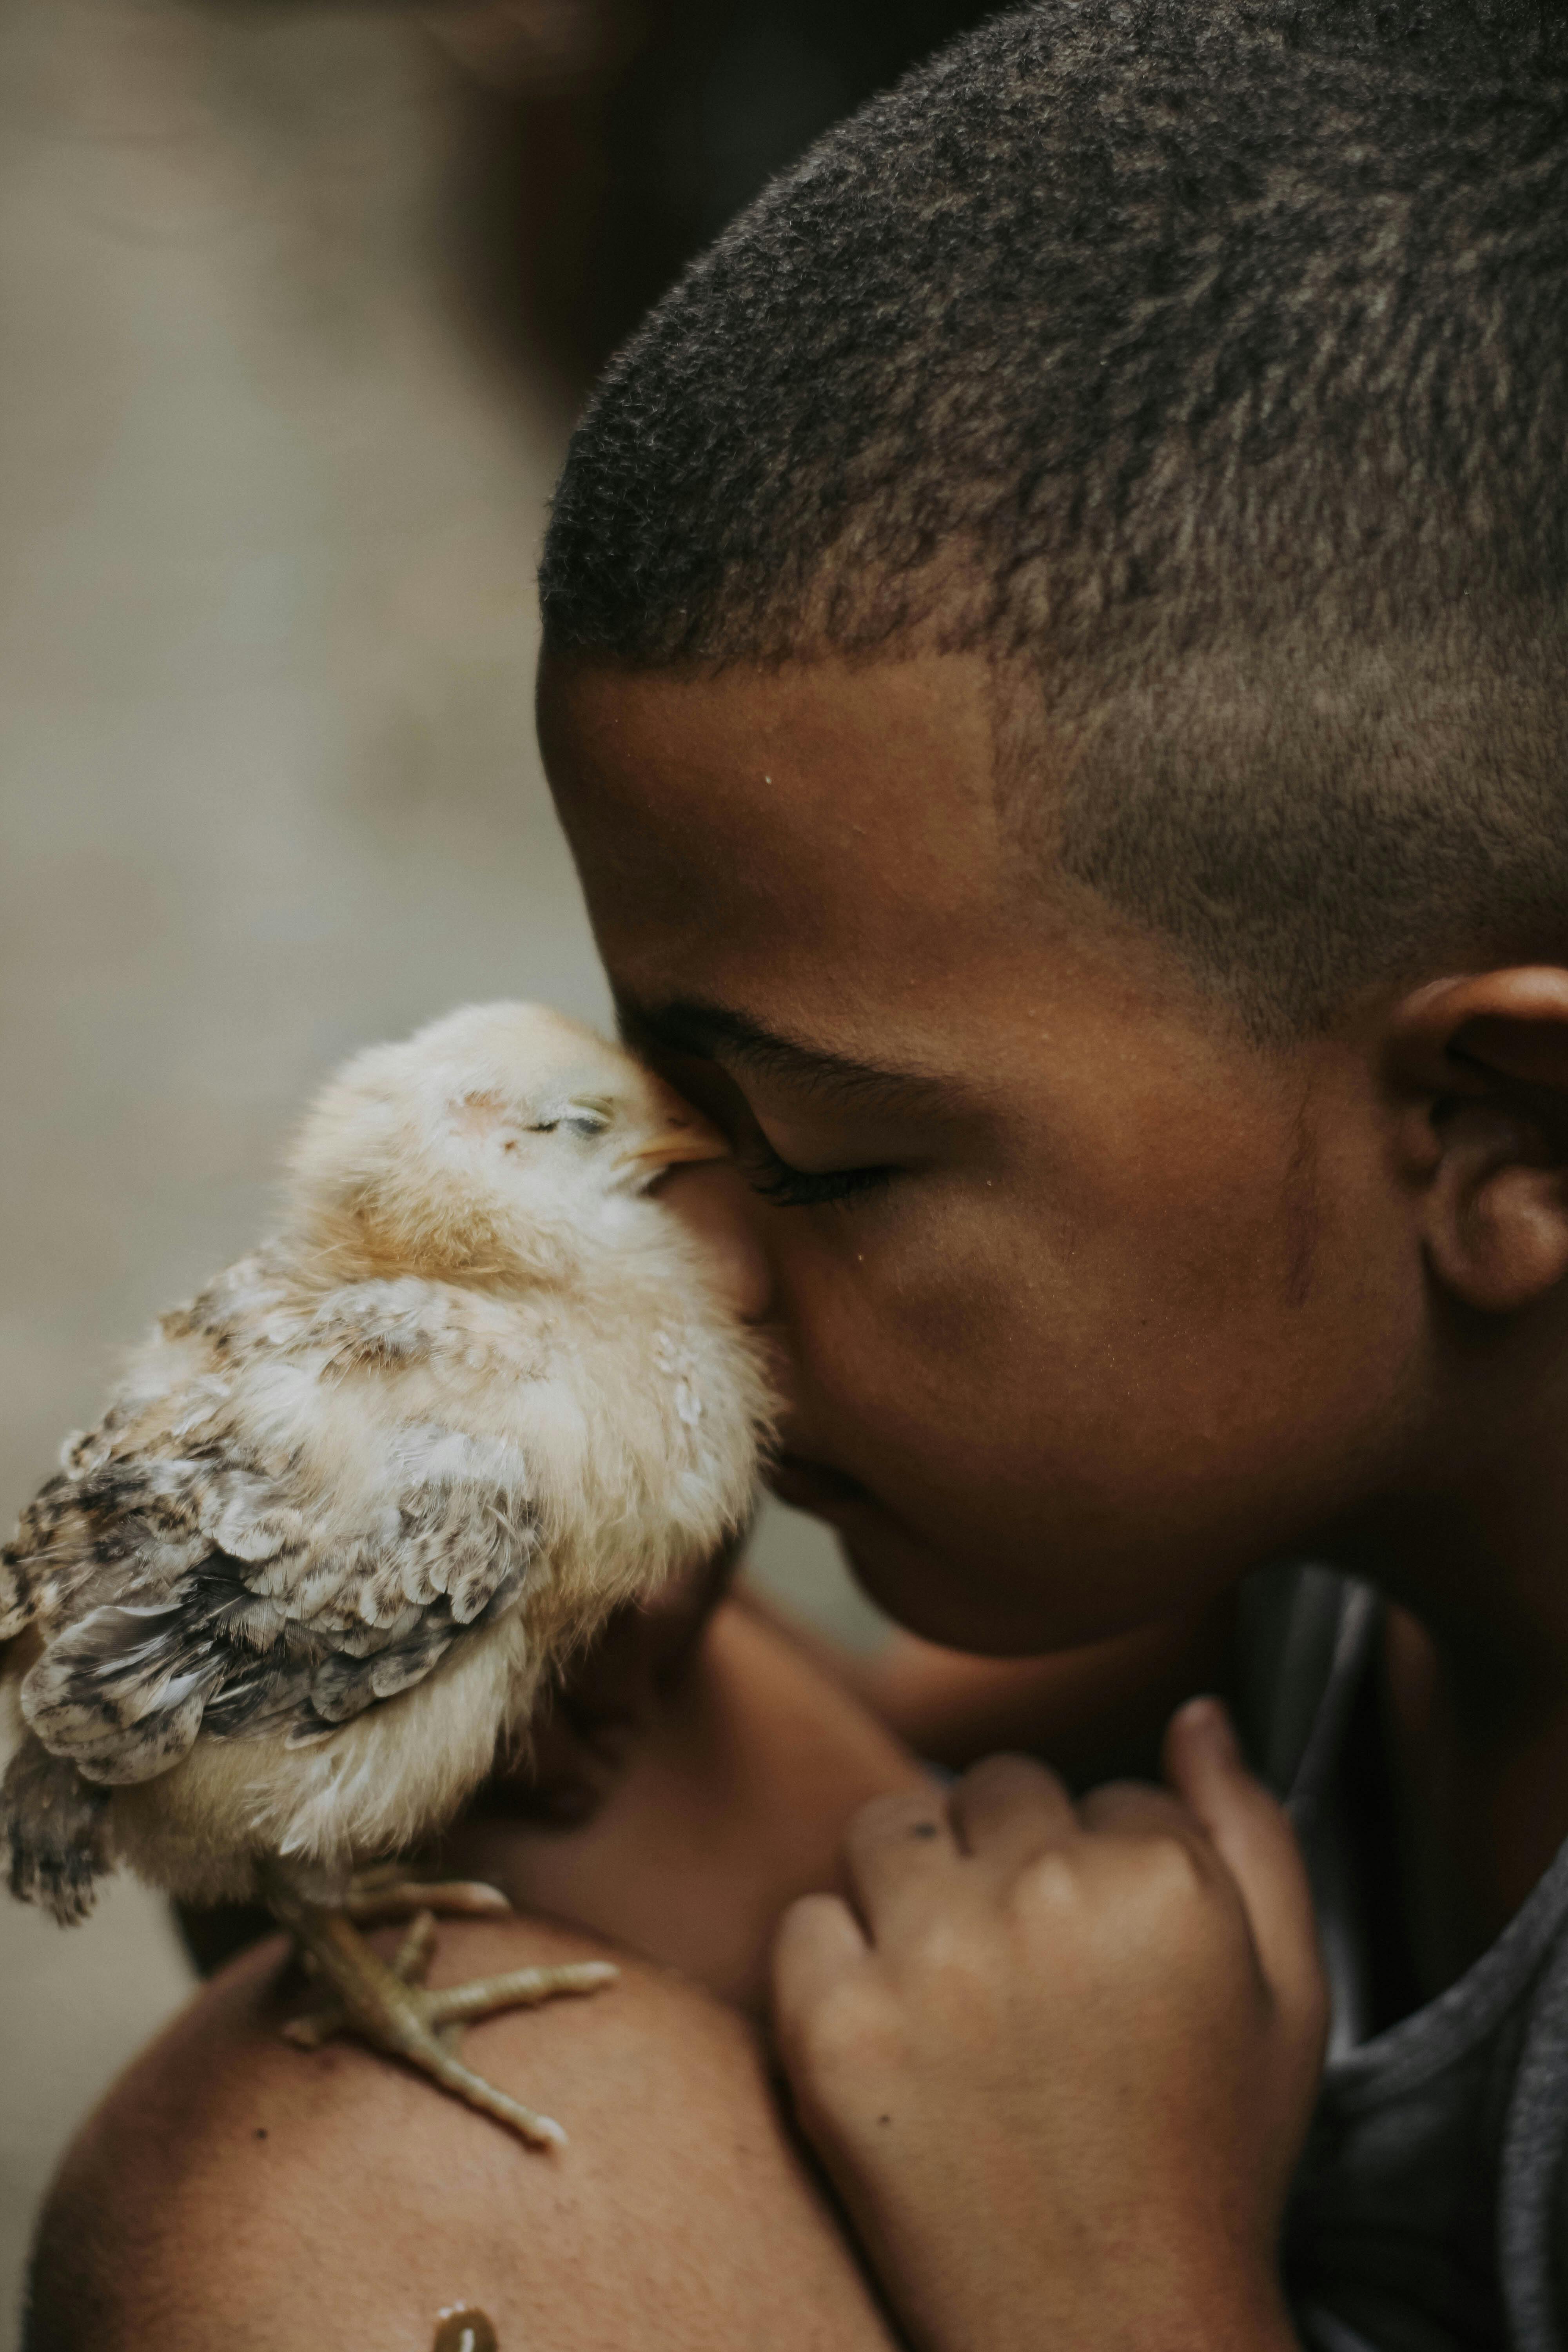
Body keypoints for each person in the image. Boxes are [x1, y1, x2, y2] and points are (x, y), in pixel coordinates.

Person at [25, 2, 1568, 2345]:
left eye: (826, 1159)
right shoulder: (1343, 1525)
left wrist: (1118, 2288)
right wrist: (497, 1598)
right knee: (395, 1915)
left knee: (325, 2220)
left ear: (1499, 1146)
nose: (694, 1270)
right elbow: (830, 1851)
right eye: (667, 1122)